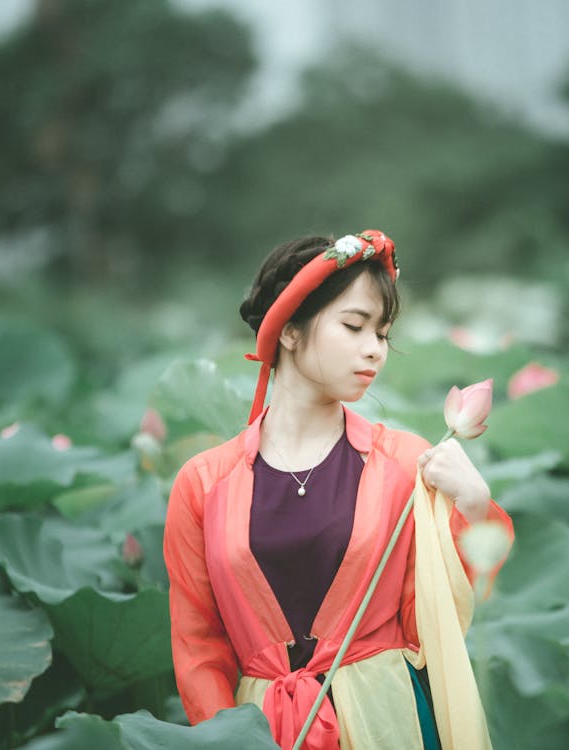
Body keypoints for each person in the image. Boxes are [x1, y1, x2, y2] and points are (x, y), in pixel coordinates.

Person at [163, 230, 513, 750]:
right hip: (260, 732)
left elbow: (432, 621)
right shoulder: (204, 482)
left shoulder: (402, 462)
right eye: (354, 326)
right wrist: (230, 742)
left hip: (386, 719)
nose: (374, 350)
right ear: (289, 331)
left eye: (383, 334)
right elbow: (199, 650)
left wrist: (475, 507)